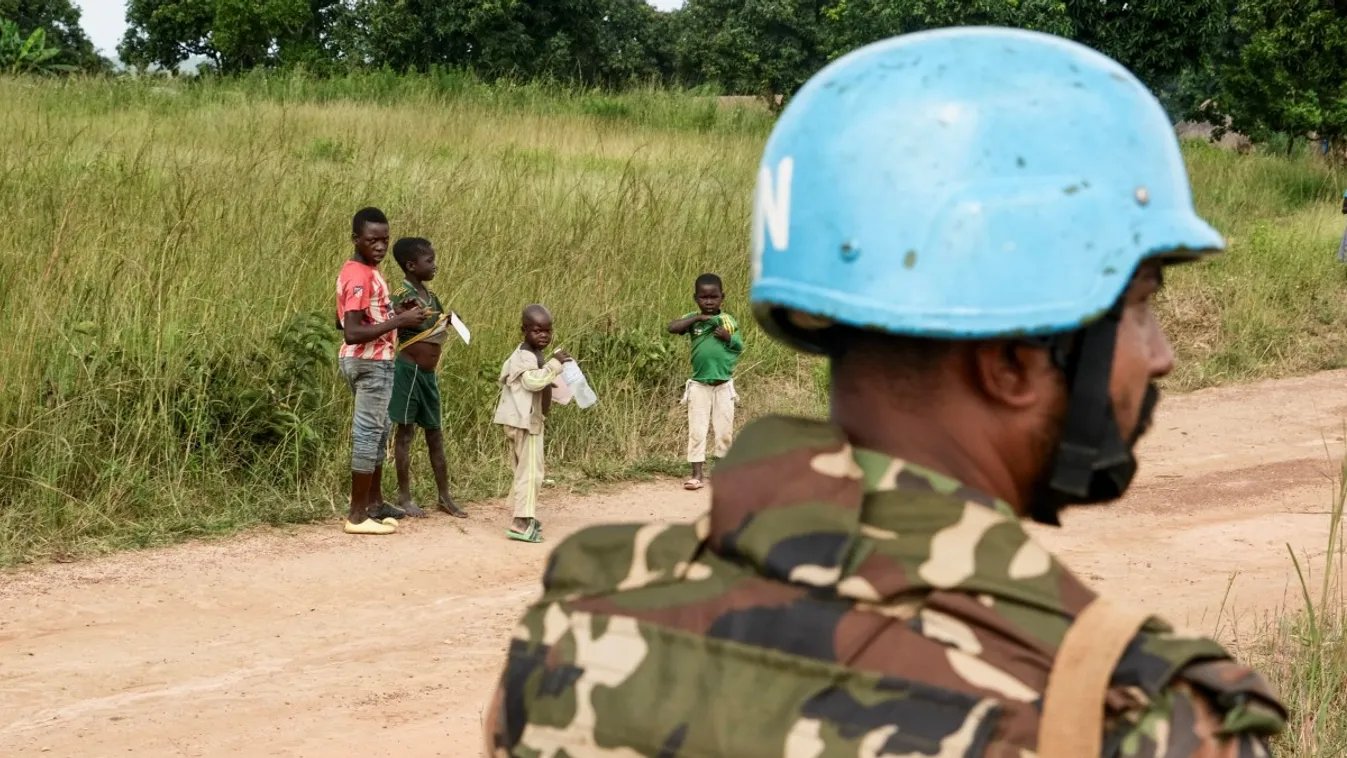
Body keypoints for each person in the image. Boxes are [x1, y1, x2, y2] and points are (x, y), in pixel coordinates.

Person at [483, 27, 1287, 757]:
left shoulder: (575, 629)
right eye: (1141, 305)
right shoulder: (1139, 726)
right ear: (1010, 360)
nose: (1162, 357)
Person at [335, 207, 425, 536]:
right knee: (368, 435)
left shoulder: (366, 271)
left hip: (377, 360)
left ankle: (374, 504)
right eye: (372, 240)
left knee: (379, 433)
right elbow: (351, 331)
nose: (380, 246)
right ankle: (357, 515)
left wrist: (394, 311)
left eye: (385, 239)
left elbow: (345, 318)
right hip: (368, 361)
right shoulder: (359, 274)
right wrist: (400, 321)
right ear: (356, 239)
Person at [386, 237, 469, 520]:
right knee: (406, 433)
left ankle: (445, 496)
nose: (435, 266)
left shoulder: (430, 296)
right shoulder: (401, 293)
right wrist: (402, 312)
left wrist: (450, 319)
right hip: (408, 372)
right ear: (411, 265)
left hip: (428, 375)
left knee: (435, 433)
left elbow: (434, 323)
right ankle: (404, 496)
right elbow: (392, 316)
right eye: (429, 261)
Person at [492, 305, 573, 544]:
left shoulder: (535, 355)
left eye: (548, 331)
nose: (544, 336)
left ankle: (523, 516)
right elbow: (532, 381)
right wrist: (555, 365)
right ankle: (521, 522)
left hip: (527, 421)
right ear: (524, 330)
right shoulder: (523, 356)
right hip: (525, 424)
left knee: (524, 472)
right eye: (537, 331)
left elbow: (540, 381)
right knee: (531, 474)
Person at [667, 273, 745, 491]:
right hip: (699, 386)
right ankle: (697, 475)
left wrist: (727, 338)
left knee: (724, 431)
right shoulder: (693, 320)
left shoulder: (728, 321)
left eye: (714, 297)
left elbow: (739, 346)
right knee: (697, 429)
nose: (709, 302)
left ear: (722, 297)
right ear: (696, 299)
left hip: (723, 386)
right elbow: (672, 328)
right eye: (703, 297)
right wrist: (696, 319)